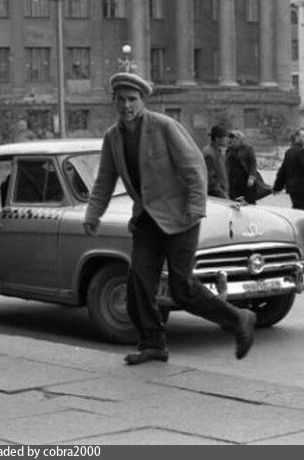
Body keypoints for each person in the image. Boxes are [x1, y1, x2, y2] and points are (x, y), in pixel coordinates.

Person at [84, 72, 255, 365]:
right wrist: (93, 214)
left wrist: (195, 206)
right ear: (114, 101)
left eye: (132, 100)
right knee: (138, 283)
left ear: (142, 101)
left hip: (181, 216)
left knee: (182, 287)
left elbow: (194, 168)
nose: (127, 106)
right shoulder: (113, 137)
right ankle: (153, 343)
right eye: (121, 100)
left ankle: (239, 318)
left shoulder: (164, 126)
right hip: (147, 219)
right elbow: (104, 180)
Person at [226, 129, 260, 204]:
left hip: (245, 178)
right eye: (231, 140)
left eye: (234, 140)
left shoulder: (248, 148)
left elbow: (253, 163)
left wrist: (251, 177)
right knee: (234, 201)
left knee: (249, 201)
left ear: (240, 140)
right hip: (234, 179)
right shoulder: (230, 149)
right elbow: (226, 162)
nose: (232, 142)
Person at [202, 124, 230, 199]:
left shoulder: (217, 151)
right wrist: (222, 194)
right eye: (225, 137)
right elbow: (210, 181)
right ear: (217, 139)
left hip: (222, 194)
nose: (228, 139)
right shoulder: (209, 153)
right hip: (216, 197)